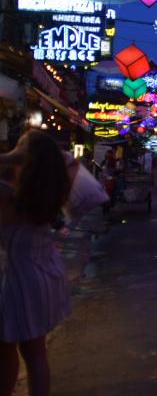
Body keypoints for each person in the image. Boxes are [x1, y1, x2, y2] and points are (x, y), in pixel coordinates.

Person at [0, 130, 75, 396]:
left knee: (6, 352)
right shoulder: (53, 190)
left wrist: (11, 156)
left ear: (25, 156)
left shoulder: (9, 195)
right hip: (45, 275)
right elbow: (68, 160)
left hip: (18, 282)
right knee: (35, 354)